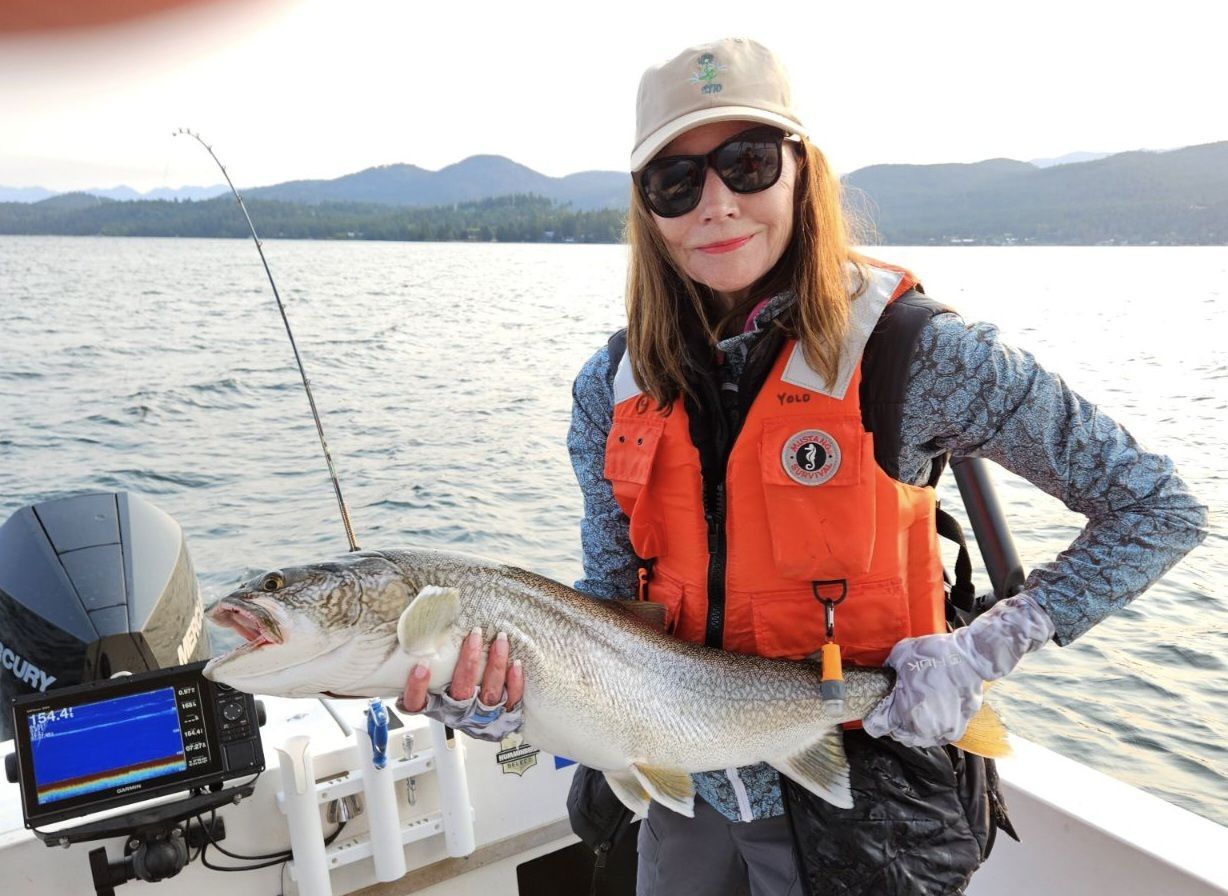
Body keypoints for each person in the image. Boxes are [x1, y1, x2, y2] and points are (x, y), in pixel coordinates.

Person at [402, 37, 1208, 896]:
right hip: (680, 797)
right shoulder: (610, 386)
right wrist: (509, 690)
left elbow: (1158, 509)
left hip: (868, 809)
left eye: (746, 164)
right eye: (675, 181)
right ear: (646, 207)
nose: (714, 205)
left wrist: (982, 649)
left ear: (799, 172)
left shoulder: (918, 352)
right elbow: (608, 604)